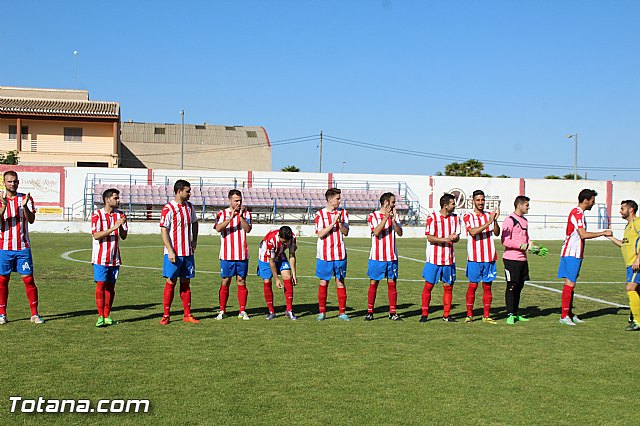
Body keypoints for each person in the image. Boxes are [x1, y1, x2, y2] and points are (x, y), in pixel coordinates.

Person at [557, 189, 612, 326]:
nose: (593, 204)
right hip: (572, 253)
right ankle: (564, 315)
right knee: (570, 283)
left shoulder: (579, 213)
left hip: (575, 253)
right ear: (586, 200)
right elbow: (583, 234)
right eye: (593, 201)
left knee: (572, 283)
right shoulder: (577, 213)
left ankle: (568, 313)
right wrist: (603, 233)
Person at [0, 170, 44, 325]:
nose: (13, 184)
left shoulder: (25, 198)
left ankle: (34, 314)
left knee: (29, 280)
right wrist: (4, 206)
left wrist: (24, 207)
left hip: (23, 247)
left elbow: (31, 220)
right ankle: (2, 314)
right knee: (3, 280)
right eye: (10, 181)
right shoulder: (0, 199)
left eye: (15, 181)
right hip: (4, 247)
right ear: (4, 182)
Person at [501, 195, 547, 325]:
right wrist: (523, 246)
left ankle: (515, 313)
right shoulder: (509, 220)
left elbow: (526, 238)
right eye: (527, 205)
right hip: (511, 259)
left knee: (520, 286)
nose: (528, 207)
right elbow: (505, 241)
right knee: (512, 286)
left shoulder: (525, 221)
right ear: (519, 205)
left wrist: (533, 247)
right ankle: (510, 314)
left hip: (522, 259)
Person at [159, 179, 200, 325]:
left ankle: (187, 314)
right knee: (171, 281)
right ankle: (166, 315)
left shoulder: (190, 207)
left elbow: (195, 223)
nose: (190, 194)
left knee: (186, 282)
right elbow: (164, 230)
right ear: (179, 191)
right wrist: (170, 250)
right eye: (188, 191)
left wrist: (194, 240)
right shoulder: (168, 208)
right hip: (174, 253)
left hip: (188, 253)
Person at [420, 193, 460, 323]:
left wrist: (455, 238)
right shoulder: (432, 217)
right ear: (445, 205)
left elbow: (457, 237)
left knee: (448, 286)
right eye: (453, 203)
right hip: (434, 259)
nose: (455, 206)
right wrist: (445, 239)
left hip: (448, 260)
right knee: (428, 286)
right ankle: (424, 314)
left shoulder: (455, 218)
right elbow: (430, 237)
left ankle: (446, 315)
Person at [91, 188, 128, 327]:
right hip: (100, 257)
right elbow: (96, 235)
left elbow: (124, 236)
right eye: (116, 198)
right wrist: (114, 227)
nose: (118, 200)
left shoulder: (120, 215)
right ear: (107, 200)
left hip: (114, 258)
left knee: (111, 288)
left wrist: (122, 226)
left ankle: (107, 315)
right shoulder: (97, 215)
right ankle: (100, 316)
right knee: (101, 285)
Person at [462, 190, 500, 324]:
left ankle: (486, 315)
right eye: (478, 200)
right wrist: (489, 222)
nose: (480, 203)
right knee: (473, 285)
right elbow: (473, 232)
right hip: (474, 257)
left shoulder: (489, 215)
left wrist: (494, 221)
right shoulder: (468, 216)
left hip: (489, 257)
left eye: (482, 200)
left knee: (487, 286)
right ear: (473, 201)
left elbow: (496, 233)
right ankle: (469, 314)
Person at [215, 189, 252, 320]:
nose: (238, 203)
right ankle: (222, 310)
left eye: (240, 200)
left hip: (241, 254)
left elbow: (248, 229)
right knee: (226, 281)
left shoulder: (246, 213)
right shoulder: (222, 213)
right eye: (236, 200)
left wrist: (240, 216)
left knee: (241, 281)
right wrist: (231, 218)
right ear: (230, 200)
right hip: (226, 255)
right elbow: (218, 228)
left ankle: (242, 310)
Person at [366, 192, 403, 321]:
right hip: (377, 257)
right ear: (386, 203)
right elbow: (376, 232)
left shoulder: (395, 216)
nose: (394, 205)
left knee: (392, 283)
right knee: (374, 283)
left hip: (392, 256)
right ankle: (370, 311)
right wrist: (385, 218)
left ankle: (393, 312)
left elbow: (400, 233)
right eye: (393, 202)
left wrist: (392, 220)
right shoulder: (373, 216)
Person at [315, 188, 350, 321]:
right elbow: (320, 234)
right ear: (330, 200)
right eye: (337, 198)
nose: (339, 200)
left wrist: (340, 222)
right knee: (324, 282)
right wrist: (332, 223)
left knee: (340, 282)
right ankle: (322, 312)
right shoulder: (320, 214)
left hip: (340, 254)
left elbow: (345, 232)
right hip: (325, 255)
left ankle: (342, 312)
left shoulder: (344, 213)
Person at [605, 200, 640, 331]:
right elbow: (623, 244)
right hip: (630, 264)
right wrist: (611, 237)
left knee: (630, 288)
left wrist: (638, 259)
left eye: (622, 208)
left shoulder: (638, 222)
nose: (620, 211)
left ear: (631, 210)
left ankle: (637, 320)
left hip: (635, 263)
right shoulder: (628, 227)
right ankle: (635, 316)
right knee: (637, 290)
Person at [257, 226, 298, 320]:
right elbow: (271, 262)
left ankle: (289, 310)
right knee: (267, 281)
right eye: (283, 242)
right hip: (266, 258)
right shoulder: (271, 240)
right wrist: (276, 279)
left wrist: (294, 274)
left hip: (280, 255)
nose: (285, 243)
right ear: (279, 236)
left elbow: (292, 255)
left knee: (288, 277)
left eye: (287, 241)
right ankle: (271, 311)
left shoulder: (292, 238)